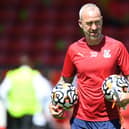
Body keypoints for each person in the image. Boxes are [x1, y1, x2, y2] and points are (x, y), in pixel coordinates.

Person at [49, 3, 129, 129]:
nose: (94, 27)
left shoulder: (117, 47)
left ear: (102, 21)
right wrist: (54, 103)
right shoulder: (73, 50)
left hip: (110, 120)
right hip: (80, 120)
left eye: (97, 22)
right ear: (80, 24)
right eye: (89, 23)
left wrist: (126, 95)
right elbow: (64, 81)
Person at [0, 55, 54, 129]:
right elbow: (45, 92)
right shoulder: (35, 75)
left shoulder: (12, 75)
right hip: (29, 111)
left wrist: (8, 105)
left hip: (13, 111)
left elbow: (2, 92)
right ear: (30, 64)